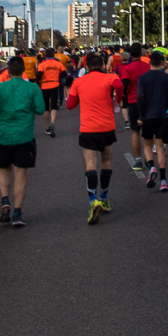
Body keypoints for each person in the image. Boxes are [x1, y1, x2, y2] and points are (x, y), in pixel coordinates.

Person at [0, 56, 44, 227]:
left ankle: (5, 201)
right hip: (25, 136)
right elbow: (40, 110)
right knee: (20, 174)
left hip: (4, 136)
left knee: (4, 169)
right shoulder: (32, 87)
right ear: (24, 70)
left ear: (7, 71)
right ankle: (17, 213)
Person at [66, 51, 123, 223]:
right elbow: (119, 86)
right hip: (107, 127)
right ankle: (104, 198)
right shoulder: (110, 77)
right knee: (106, 162)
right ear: (103, 66)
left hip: (88, 129)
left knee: (90, 165)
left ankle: (93, 201)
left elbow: (69, 105)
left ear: (87, 67)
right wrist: (117, 100)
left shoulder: (79, 81)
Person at [136, 50, 168, 191]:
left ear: (149, 61)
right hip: (163, 114)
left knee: (147, 145)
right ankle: (163, 180)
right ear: (161, 62)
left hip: (148, 115)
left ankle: (151, 167)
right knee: (160, 147)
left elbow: (140, 97)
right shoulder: (167, 78)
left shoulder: (143, 78)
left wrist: (141, 116)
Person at [119, 43, 150, 171]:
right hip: (148, 101)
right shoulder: (148, 67)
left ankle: (138, 161)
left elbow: (124, 83)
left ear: (130, 54)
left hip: (133, 101)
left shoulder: (128, 68)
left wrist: (123, 98)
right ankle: (150, 160)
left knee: (135, 131)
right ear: (142, 53)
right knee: (148, 132)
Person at [36, 48, 66, 137]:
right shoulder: (58, 63)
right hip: (55, 85)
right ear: (53, 55)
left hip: (45, 86)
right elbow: (64, 74)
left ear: (45, 55)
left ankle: (47, 127)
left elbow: (38, 75)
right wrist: (56, 75)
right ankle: (53, 122)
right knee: (53, 106)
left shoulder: (42, 64)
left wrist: (40, 80)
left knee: (45, 108)